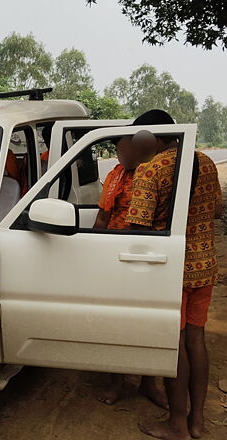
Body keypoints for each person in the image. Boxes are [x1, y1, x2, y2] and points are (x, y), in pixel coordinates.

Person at [125, 110, 223, 440]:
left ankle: (176, 425)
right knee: (196, 340)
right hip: (204, 266)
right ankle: (197, 421)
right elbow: (218, 210)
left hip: (169, 271)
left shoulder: (151, 169)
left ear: (150, 139)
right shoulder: (206, 162)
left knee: (173, 344)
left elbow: (136, 230)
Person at [94, 132, 166, 408]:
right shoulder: (115, 176)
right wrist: (94, 250)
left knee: (149, 321)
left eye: (127, 149)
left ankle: (150, 383)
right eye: (120, 151)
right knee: (117, 322)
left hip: (149, 255)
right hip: (118, 254)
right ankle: (117, 381)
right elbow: (103, 216)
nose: (124, 155)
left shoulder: (155, 174)